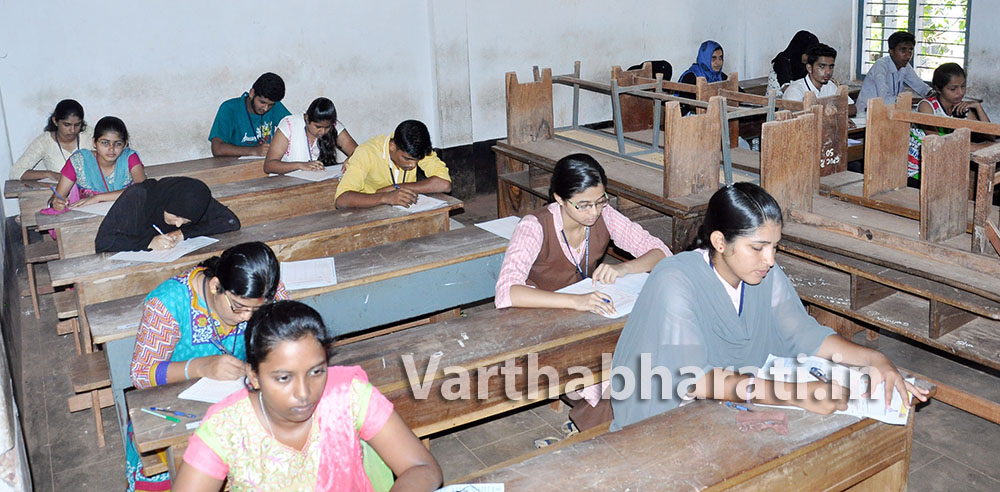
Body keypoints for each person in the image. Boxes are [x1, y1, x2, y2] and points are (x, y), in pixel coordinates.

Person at [609, 183, 929, 431]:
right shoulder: (675, 280)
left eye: (775, 247)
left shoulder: (766, 276)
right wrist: (797, 393)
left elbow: (803, 334)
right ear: (720, 242)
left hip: (736, 395)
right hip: (665, 412)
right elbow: (695, 379)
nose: (770, 260)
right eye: (758, 248)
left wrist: (876, 359)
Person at [173, 300, 443, 491]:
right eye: (283, 378)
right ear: (253, 376)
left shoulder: (348, 395)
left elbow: (422, 467)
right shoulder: (226, 428)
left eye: (316, 372)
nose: (304, 393)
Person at [495, 153, 671, 435]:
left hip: (588, 315)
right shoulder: (534, 226)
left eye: (600, 201)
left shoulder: (605, 215)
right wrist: (574, 301)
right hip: (543, 318)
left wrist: (626, 268)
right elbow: (506, 293)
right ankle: (606, 432)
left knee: (638, 355)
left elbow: (661, 253)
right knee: (597, 373)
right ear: (559, 199)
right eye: (584, 205)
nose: (594, 212)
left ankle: (618, 425)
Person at [125, 242, 289, 491]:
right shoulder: (169, 303)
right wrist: (200, 366)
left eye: (256, 310)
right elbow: (141, 373)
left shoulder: (266, 292)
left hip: (237, 411)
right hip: (174, 417)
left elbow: (288, 341)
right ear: (215, 286)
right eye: (238, 307)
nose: (246, 317)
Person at [95, 177, 240, 252]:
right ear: (166, 203)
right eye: (176, 216)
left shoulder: (194, 197)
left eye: (186, 220)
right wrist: (149, 242)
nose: (178, 223)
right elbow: (103, 241)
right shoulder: (139, 196)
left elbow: (231, 221)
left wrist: (182, 232)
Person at [334, 120, 451, 209]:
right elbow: (341, 200)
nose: (413, 165)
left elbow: (444, 184)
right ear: (392, 146)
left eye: (417, 160)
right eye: (407, 159)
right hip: (369, 210)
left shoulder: (417, 149)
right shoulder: (367, 152)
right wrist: (386, 197)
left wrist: (397, 188)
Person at [907, 63, 991, 184]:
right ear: (938, 89)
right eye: (953, 89)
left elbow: (989, 135)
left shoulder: (961, 108)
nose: (960, 92)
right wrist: (979, 147)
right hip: (918, 173)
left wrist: (978, 107)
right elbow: (938, 143)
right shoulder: (927, 106)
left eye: (963, 86)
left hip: (942, 168)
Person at [47, 116, 146, 211]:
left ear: (125, 144)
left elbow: (142, 188)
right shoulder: (79, 161)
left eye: (118, 144)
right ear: (94, 142)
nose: (111, 149)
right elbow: (56, 198)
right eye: (105, 143)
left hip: (127, 216)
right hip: (87, 221)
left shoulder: (129, 157)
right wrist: (56, 203)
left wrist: (98, 198)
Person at [263, 97, 358, 175]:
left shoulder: (335, 127)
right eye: (318, 127)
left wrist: (351, 159)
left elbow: (359, 152)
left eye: (327, 127)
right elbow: (269, 165)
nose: (323, 131)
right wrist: (300, 165)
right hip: (286, 185)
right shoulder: (289, 125)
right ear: (307, 119)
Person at [209, 72, 292, 158]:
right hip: (234, 166)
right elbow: (217, 148)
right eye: (262, 102)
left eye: (271, 105)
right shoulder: (230, 108)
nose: (266, 108)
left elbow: (294, 130)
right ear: (252, 93)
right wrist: (253, 151)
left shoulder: (275, 106)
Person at [9, 99, 93, 181]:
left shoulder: (89, 135)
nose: (72, 130)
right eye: (67, 125)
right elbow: (15, 172)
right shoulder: (44, 142)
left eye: (77, 125)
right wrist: (49, 174)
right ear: (55, 121)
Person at [856, 31, 932, 114]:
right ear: (891, 52)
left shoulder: (904, 65)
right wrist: (913, 101)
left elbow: (920, 86)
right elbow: (884, 99)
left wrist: (931, 93)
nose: (908, 55)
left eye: (910, 50)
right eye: (903, 50)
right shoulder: (881, 66)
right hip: (866, 113)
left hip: (888, 111)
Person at [782, 43, 857, 117]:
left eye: (831, 67)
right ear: (809, 68)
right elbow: (798, 120)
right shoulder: (795, 91)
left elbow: (852, 108)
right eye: (822, 67)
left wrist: (836, 114)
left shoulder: (829, 85)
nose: (828, 72)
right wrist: (830, 112)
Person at [767, 30, 819, 97]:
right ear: (799, 51)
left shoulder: (804, 66)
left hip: (796, 103)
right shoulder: (782, 62)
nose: (812, 58)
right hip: (777, 104)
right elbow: (787, 91)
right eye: (809, 55)